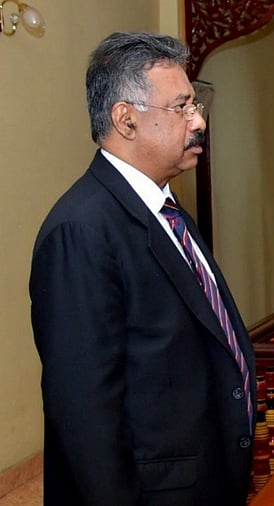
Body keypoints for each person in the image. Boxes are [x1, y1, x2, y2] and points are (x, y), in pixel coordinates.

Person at [30, 32, 254, 505]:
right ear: (126, 119)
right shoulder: (82, 230)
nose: (200, 123)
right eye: (183, 107)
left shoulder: (166, 212)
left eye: (197, 105)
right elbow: (85, 416)